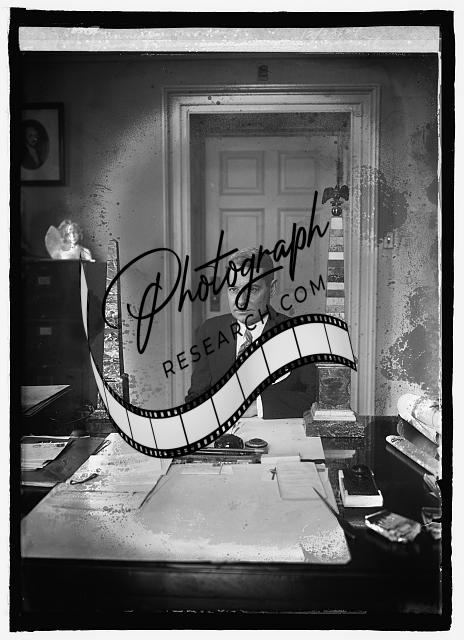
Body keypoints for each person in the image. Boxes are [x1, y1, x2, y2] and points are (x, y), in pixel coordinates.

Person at [186, 247, 317, 419]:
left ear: (272, 289)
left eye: (253, 289)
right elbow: (196, 396)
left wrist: (258, 406)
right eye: (233, 289)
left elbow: (315, 397)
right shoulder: (210, 331)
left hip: (278, 431)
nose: (241, 302)